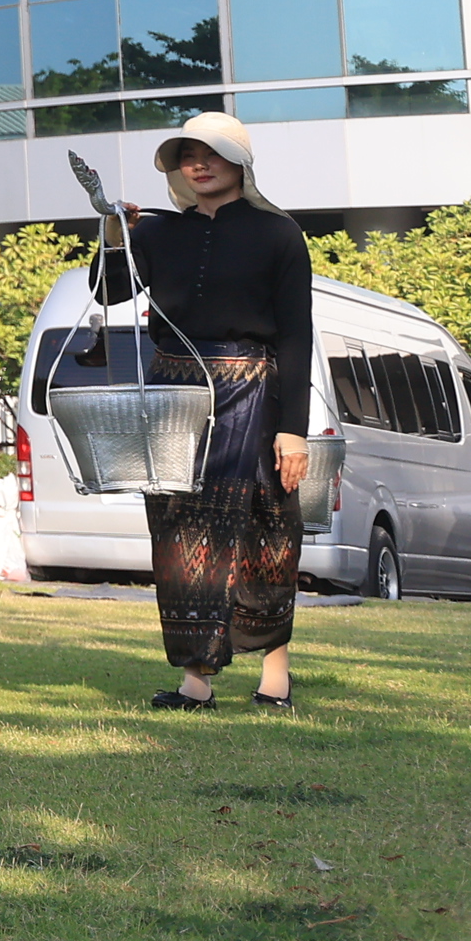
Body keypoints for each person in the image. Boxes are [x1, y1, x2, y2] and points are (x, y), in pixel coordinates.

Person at [92, 114, 311, 711]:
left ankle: (275, 674)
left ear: (239, 160)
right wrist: (114, 234)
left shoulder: (279, 233)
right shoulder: (157, 231)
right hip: (173, 391)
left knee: (266, 526)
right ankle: (196, 681)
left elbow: (297, 334)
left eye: (211, 152)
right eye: (187, 154)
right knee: (177, 530)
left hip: (253, 387)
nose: (199, 163)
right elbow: (108, 291)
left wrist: (293, 429)